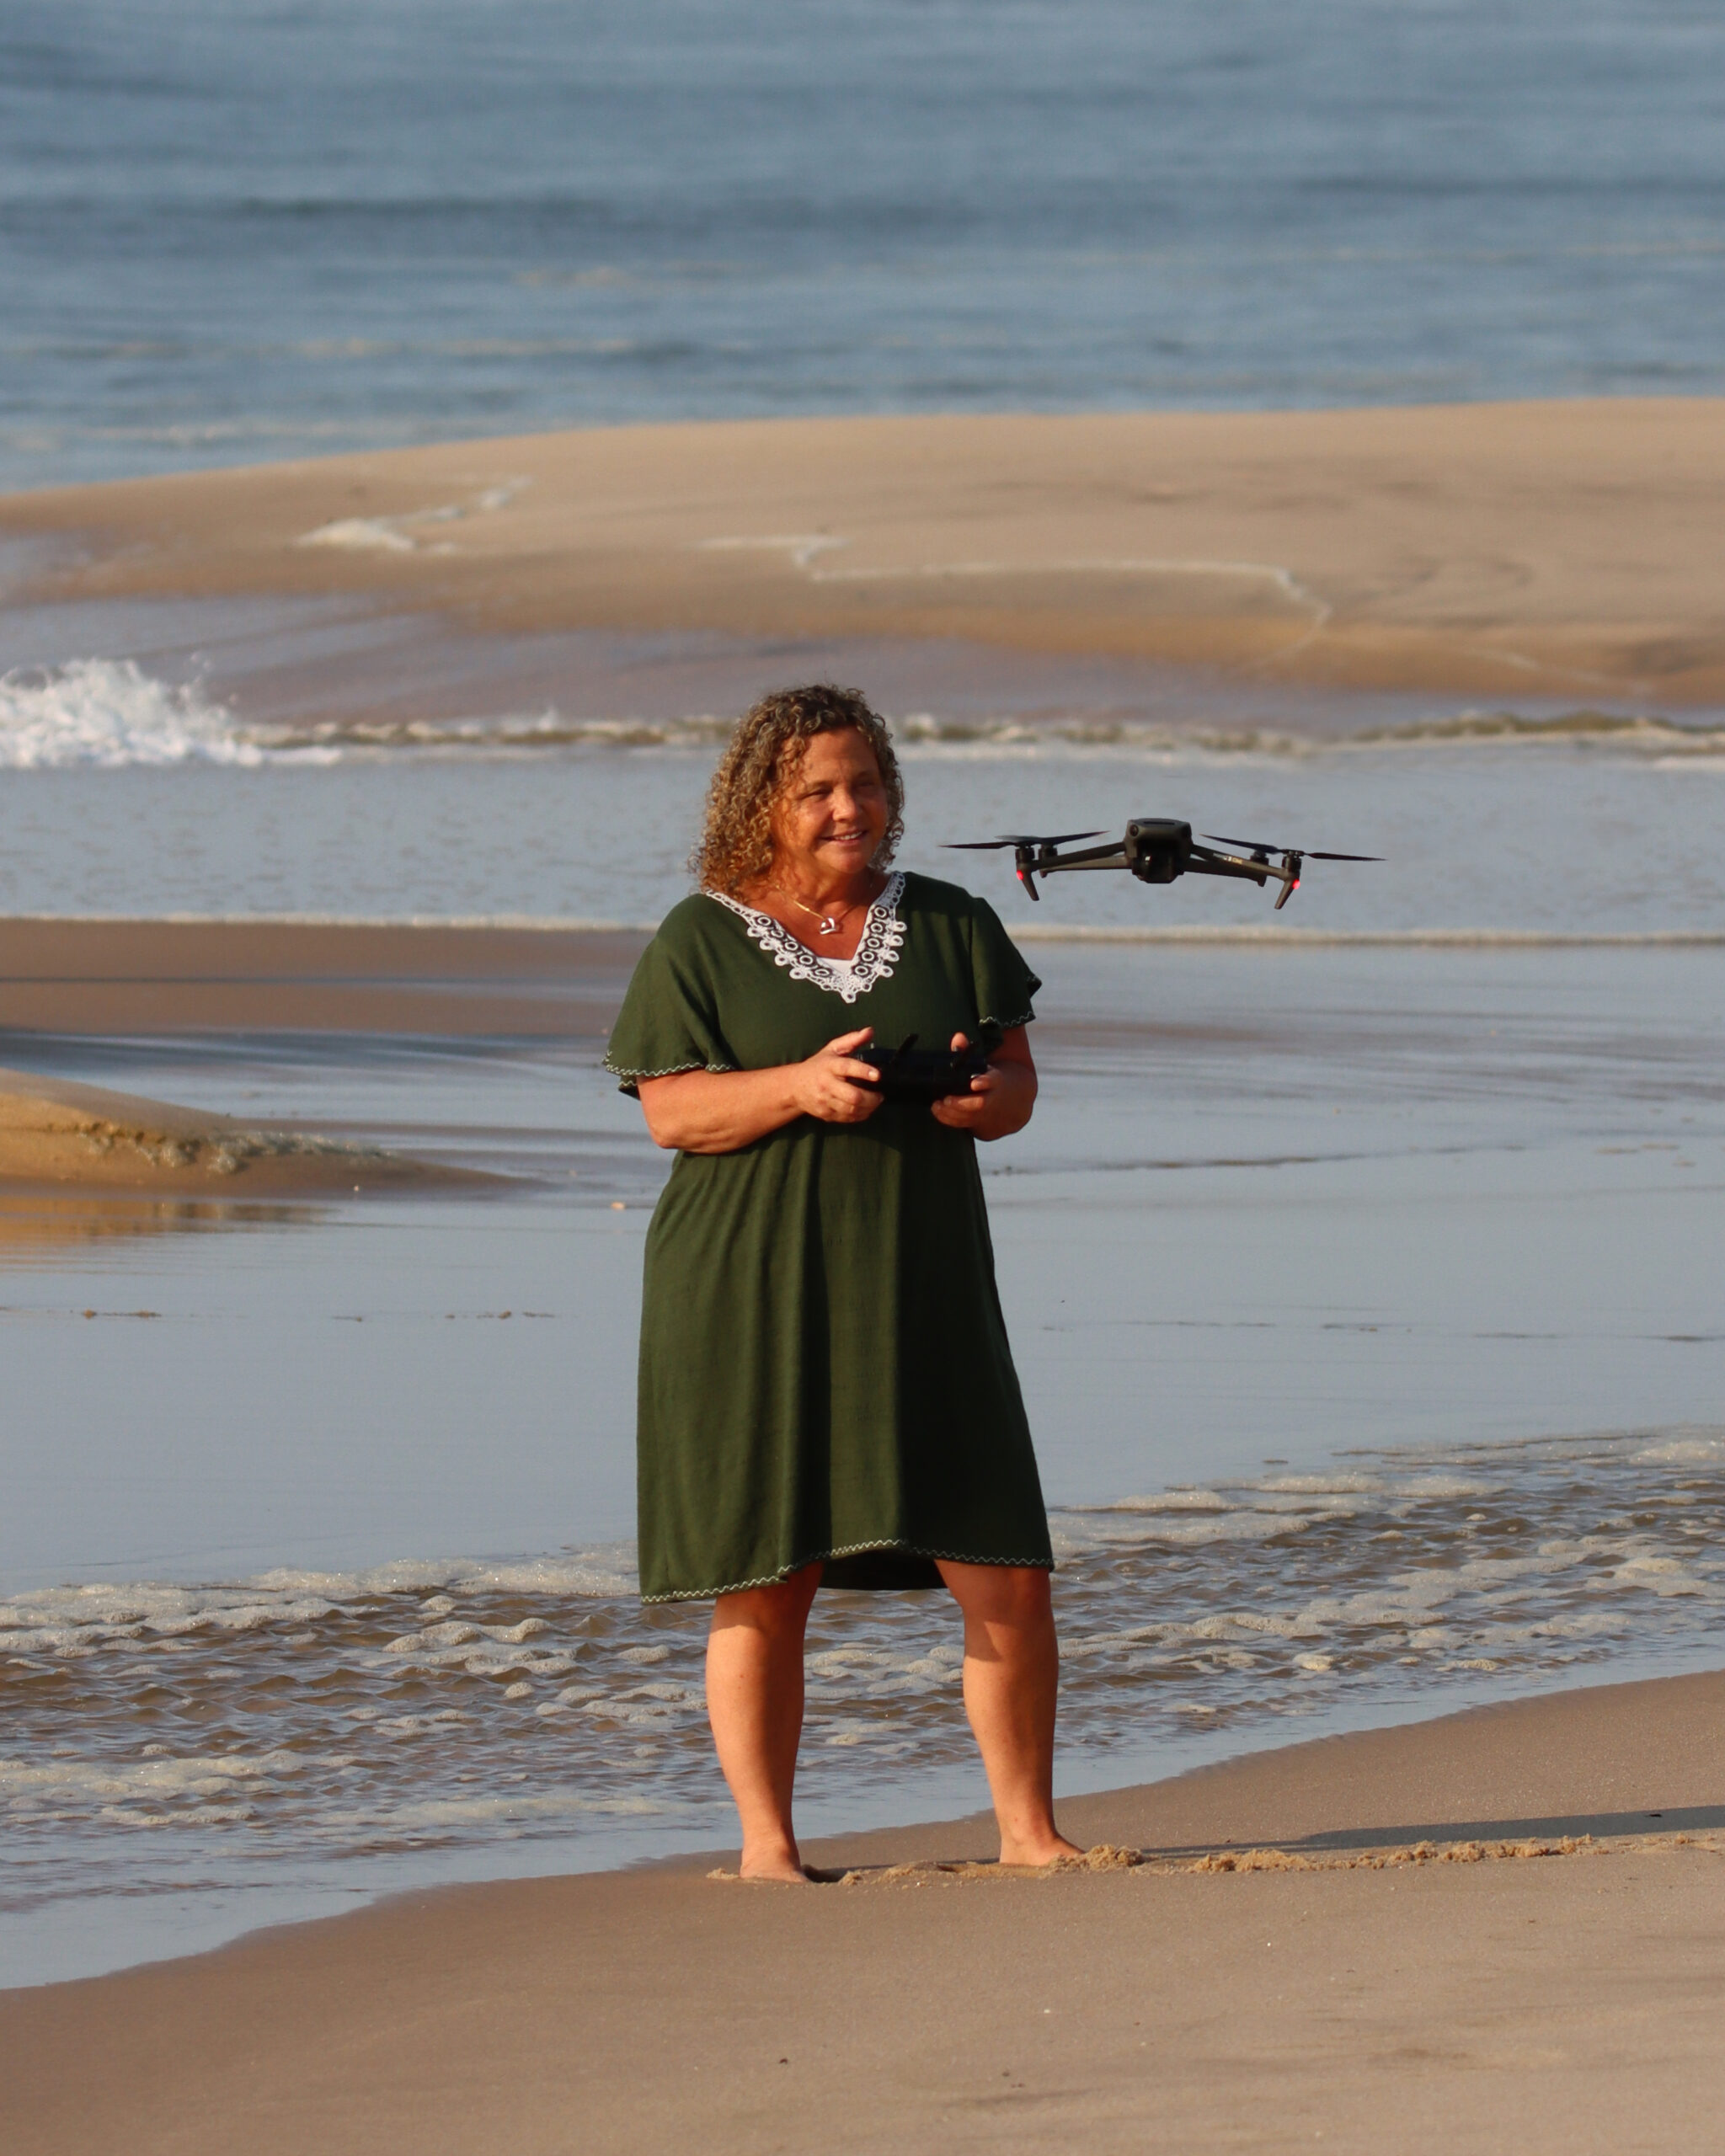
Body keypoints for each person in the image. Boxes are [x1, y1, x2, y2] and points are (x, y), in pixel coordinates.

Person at [605, 683, 1081, 1881]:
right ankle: (769, 1850)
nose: (847, 808)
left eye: (865, 783)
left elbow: (1018, 1086)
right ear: (761, 804)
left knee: (1005, 1567)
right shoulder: (698, 938)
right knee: (768, 1576)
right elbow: (671, 1112)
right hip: (744, 1287)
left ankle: (1032, 1836)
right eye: (816, 789)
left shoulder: (957, 922)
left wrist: (987, 1102)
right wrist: (795, 1088)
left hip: (921, 1286)